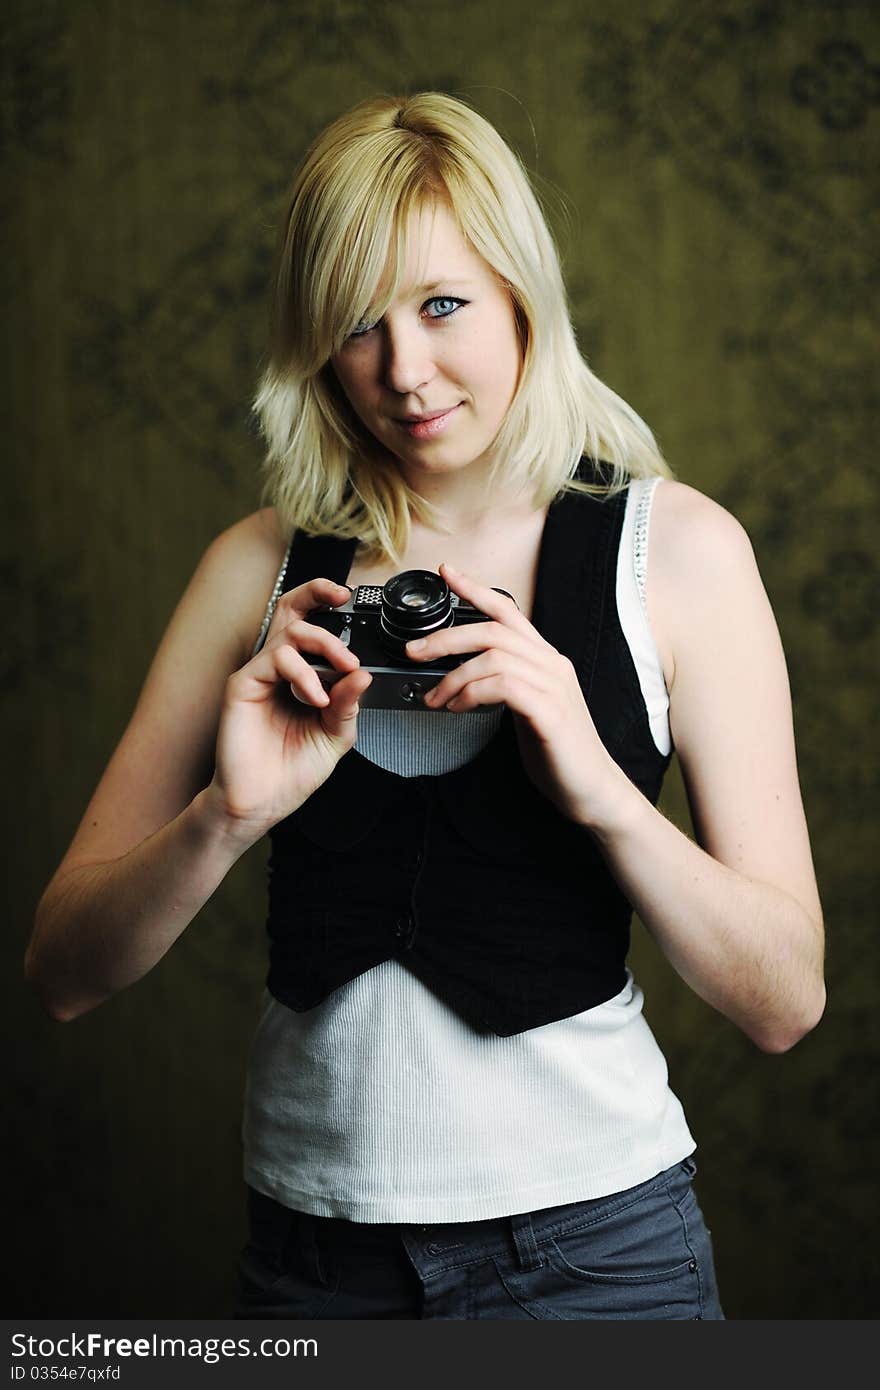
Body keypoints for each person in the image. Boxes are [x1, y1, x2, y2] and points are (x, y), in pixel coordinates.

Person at [26, 92, 825, 1321]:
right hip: (313, 1263)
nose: (404, 372)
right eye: (357, 324)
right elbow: (64, 971)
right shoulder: (255, 571)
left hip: (600, 1253)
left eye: (442, 304)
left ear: (520, 294)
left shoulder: (678, 554)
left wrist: (602, 791)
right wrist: (225, 819)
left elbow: (784, 1000)